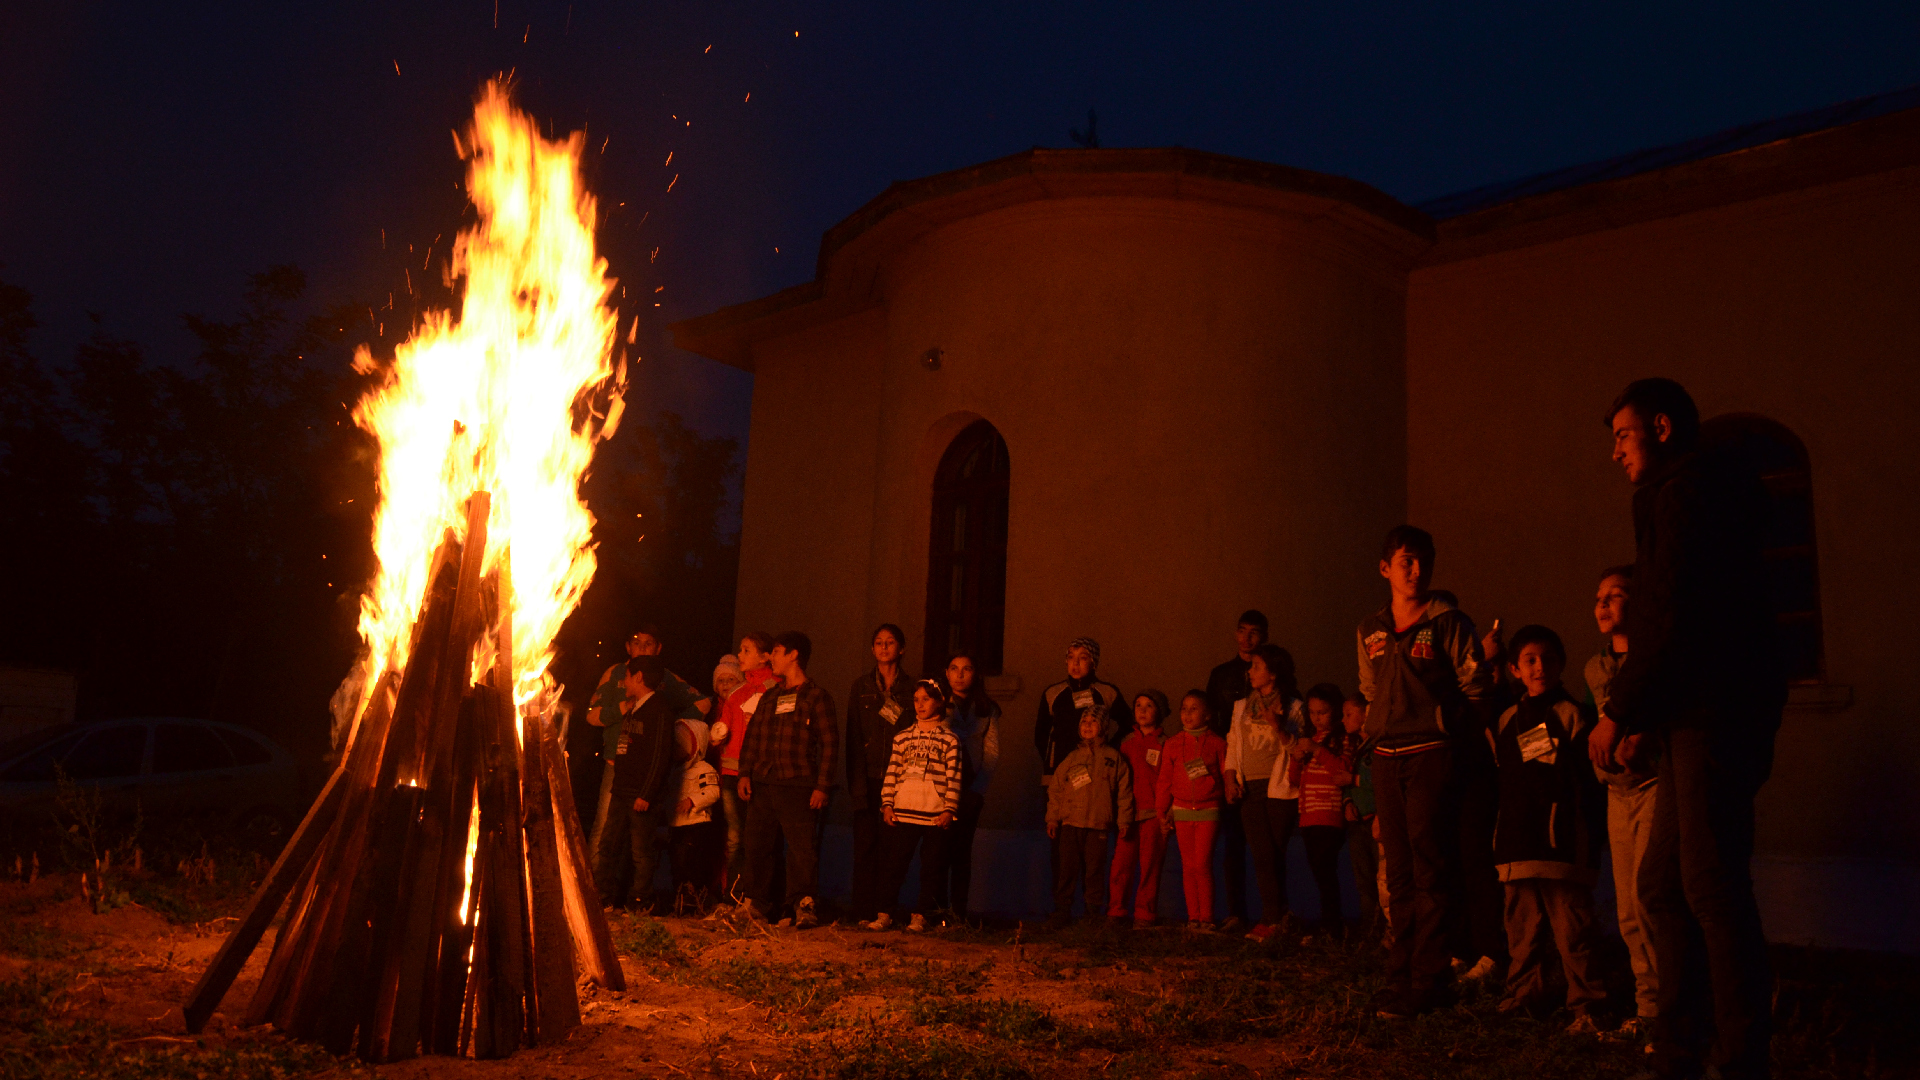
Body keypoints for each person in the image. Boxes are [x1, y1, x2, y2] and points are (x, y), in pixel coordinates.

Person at [1588, 379, 1783, 1080]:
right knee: (1664, 882)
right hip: (1691, 713)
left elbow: (1671, 614)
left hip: (1713, 712)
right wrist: (1649, 714)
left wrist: (1620, 710)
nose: (1615, 452)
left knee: (1708, 881)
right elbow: (1675, 617)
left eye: (1623, 435)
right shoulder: (1684, 494)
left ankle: (1739, 1056)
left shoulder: (1684, 493)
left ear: (1662, 427)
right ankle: (1677, 1044)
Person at [1357, 525, 1497, 1019]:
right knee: (1398, 872)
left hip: (1432, 752)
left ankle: (1429, 979)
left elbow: (1475, 687)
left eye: (1423, 561)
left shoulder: (1448, 622)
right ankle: (1400, 977)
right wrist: (1374, 731)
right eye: (1406, 561)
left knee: (1429, 865)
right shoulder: (1371, 629)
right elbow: (1370, 689)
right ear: (1385, 568)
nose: (1416, 570)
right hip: (1386, 754)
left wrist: (1450, 727)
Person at [1492, 625, 1607, 1032]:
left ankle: (1588, 1006)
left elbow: (1585, 785)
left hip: (1559, 843)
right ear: (1515, 669)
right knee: (1521, 927)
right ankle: (1525, 994)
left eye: (1548, 659)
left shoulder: (1571, 715)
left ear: (1561, 665)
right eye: (1530, 660)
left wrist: (1585, 839)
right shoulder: (1507, 719)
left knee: (1572, 928)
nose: (1540, 667)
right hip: (1516, 842)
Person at [1586, 565, 1660, 1034]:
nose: (1603, 603)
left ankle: (1667, 1007)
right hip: (1617, 791)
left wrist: (1644, 738)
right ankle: (1647, 1004)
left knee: (1650, 897)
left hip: (1652, 786)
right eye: (1599, 596)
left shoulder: (1653, 661)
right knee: (1628, 909)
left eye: (1616, 594)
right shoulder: (1595, 668)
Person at [587, 626, 709, 901]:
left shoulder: (665, 685)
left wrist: (678, 732)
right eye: (636, 643)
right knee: (606, 833)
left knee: (639, 842)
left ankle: (637, 897)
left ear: (658, 648)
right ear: (628, 647)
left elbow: (702, 703)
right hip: (617, 770)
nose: (642, 648)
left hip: (644, 780)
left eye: (648, 643)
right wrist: (619, 710)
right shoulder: (615, 673)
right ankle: (598, 892)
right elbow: (591, 714)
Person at [737, 631, 838, 928]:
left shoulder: (817, 697)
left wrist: (822, 786)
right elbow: (753, 737)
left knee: (801, 849)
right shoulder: (770, 697)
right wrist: (745, 773)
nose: (772, 658)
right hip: (764, 782)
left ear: (794, 655)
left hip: (797, 782)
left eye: (777, 651)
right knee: (757, 846)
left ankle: (803, 904)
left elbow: (829, 744)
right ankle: (756, 903)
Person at [1223, 642, 1305, 944]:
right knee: (1261, 854)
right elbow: (1233, 746)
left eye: (1257, 666)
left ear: (1273, 673)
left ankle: (1275, 917)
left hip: (1279, 788)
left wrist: (1279, 726)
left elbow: (1297, 751)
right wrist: (1230, 779)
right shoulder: (1242, 707)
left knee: (1273, 854)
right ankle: (1274, 916)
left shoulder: (1294, 707)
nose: (1250, 671)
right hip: (1250, 787)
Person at [869, 679, 964, 932]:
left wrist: (949, 808)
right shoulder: (903, 737)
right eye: (916, 699)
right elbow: (892, 771)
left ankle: (921, 915)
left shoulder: (949, 740)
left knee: (931, 868)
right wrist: (887, 803)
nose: (920, 705)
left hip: (934, 814)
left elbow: (954, 776)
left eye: (926, 699)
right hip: (904, 811)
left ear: (939, 702)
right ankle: (884, 913)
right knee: (894, 865)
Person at [847, 624, 915, 927]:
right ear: (872, 649)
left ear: (901, 648)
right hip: (868, 777)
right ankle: (863, 911)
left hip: (898, 780)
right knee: (865, 847)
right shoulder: (861, 686)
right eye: (878, 642)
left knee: (892, 848)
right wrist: (857, 785)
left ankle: (885, 911)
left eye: (890, 642)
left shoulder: (911, 688)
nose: (884, 647)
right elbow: (853, 737)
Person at [1203, 609, 1268, 928]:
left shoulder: (1274, 672)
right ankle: (1235, 912)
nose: (1246, 638)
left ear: (1264, 637)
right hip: (1228, 765)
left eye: (1253, 632)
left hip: (1263, 767)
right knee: (1233, 842)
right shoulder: (1221, 675)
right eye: (1242, 630)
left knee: (1266, 844)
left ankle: (1273, 914)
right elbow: (1210, 721)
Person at [1044, 706, 1133, 929]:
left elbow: (1124, 792)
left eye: (1094, 722)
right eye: (1084, 722)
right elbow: (1056, 789)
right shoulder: (1072, 758)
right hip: (1070, 823)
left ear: (1103, 727)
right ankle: (1062, 910)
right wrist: (1053, 818)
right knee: (1067, 869)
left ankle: (1092, 913)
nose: (1088, 726)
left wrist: (1124, 820)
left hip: (1098, 824)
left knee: (1094, 870)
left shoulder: (1113, 758)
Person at [599, 655, 675, 911]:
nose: (624, 681)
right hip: (621, 791)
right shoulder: (634, 708)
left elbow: (660, 756)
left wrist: (647, 793)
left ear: (639, 677)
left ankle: (640, 901)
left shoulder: (659, 711)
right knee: (609, 844)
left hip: (640, 795)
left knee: (641, 851)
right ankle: (604, 898)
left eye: (628, 676)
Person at [713, 632, 777, 900]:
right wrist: (718, 733)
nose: (739, 655)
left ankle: (758, 898)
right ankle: (733, 898)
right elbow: (723, 727)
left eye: (746, 650)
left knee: (759, 838)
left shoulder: (776, 690)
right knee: (735, 838)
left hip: (761, 775)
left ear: (765, 657)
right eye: (740, 649)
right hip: (731, 773)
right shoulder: (736, 693)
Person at [1158, 690, 1227, 931]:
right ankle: (1193, 917)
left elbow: (1226, 774)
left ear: (1207, 715)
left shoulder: (1218, 744)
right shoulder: (1173, 744)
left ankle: (1206, 917)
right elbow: (1164, 779)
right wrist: (1162, 811)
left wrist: (1224, 796)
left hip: (1209, 809)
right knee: (1188, 866)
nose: (1187, 714)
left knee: (1202, 864)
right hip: (1182, 810)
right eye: (1184, 709)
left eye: (1194, 709)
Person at [1291, 683, 1355, 939]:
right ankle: (1329, 924)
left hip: (1329, 813)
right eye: (1312, 712)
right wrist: (1296, 758)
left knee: (1325, 871)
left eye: (1323, 712)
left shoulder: (1343, 738)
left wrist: (1318, 750)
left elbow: (1341, 770)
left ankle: (1333, 926)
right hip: (1308, 815)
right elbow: (1294, 779)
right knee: (1318, 872)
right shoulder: (1311, 739)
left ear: (1335, 711)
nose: (1317, 718)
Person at [940, 651, 1000, 922]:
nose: (960, 675)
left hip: (971, 786)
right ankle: (936, 910)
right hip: (941, 787)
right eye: (954, 668)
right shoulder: (939, 704)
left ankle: (957, 913)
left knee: (962, 852)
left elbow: (992, 752)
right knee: (939, 850)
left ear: (975, 674)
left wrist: (978, 789)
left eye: (967, 669)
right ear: (946, 673)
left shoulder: (986, 708)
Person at [1110, 690, 1170, 928]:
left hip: (1153, 815)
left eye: (1149, 706)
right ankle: (1117, 911)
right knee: (1121, 865)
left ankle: (1145, 914)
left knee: (1150, 866)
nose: (1142, 711)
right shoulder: (1126, 743)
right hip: (1128, 814)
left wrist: (1166, 812)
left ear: (1159, 711)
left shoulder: (1166, 744)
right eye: (1138, 705)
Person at [1034, 638, 1127, 780]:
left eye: (1083, 658)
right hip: (1058, 769)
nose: (1075, 663)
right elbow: (1040, 733)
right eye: (1071, 657)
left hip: (1096, 770)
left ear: (1093, 662)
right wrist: (1052, 758)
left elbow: (1127, 724)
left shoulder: (1107, 692)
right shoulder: (1053, 693)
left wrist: (1109, 749)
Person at [1339, 695, 1385, 939]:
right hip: (1358, 823)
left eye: (1349, 714)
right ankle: (1369, 930)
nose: (1343, 720)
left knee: (1382, 879)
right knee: (1363, 879)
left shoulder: (1378, 746)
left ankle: (1387, 929)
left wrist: (1354, 780)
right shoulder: (1356, 748)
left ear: (1365, 715)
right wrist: (1347, 800)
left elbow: (1381, 778)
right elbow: (1347, 779)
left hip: (1376, 820)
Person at [669, 717, 722, 910]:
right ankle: (681, 901)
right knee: (677, 865)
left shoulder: (703, 769)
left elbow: (713, 791)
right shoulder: (674, 771)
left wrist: (693, 801)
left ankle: (697, 900)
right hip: (676, 825)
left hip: (696, 824)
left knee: (694, 864)